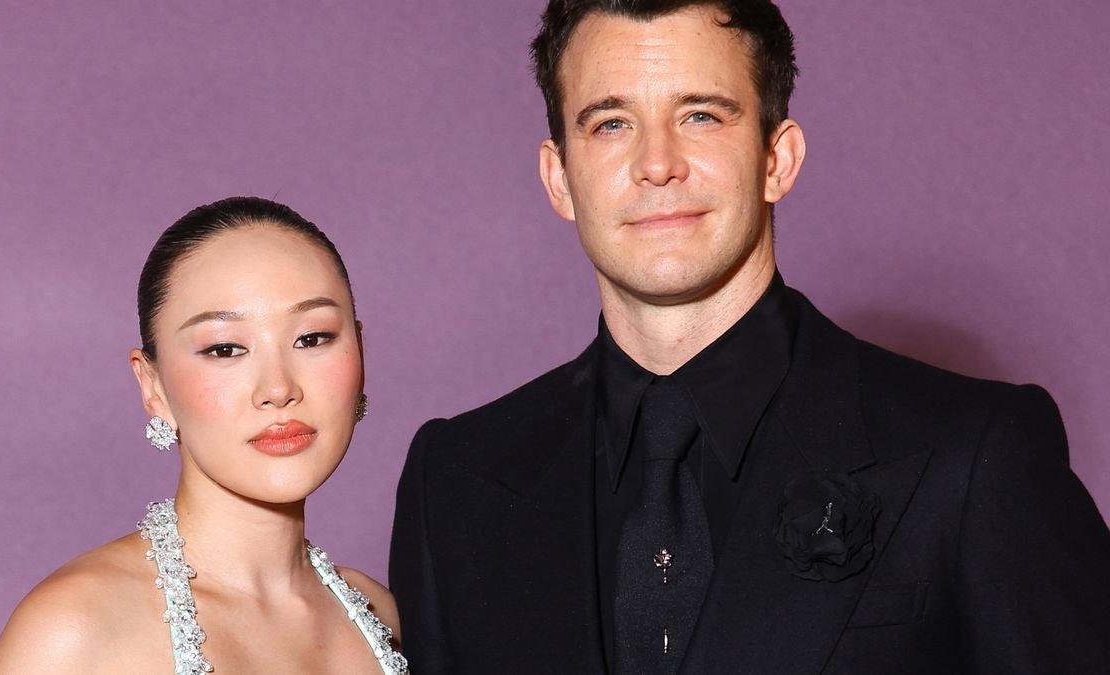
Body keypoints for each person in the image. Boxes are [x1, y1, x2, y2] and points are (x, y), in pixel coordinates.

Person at [388, 1, 1110, 673]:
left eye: (701, 115)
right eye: (611, 123)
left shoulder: (976, 453)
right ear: (559, 178)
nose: (657, 163)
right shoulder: (454, 481)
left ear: (777, 159)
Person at [0, 197, 408, 674]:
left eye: (312, 338)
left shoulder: (384, 618)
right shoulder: (76, 630)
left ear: (360, 352)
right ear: (153, 386)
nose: (278, 389)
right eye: (225, 349)